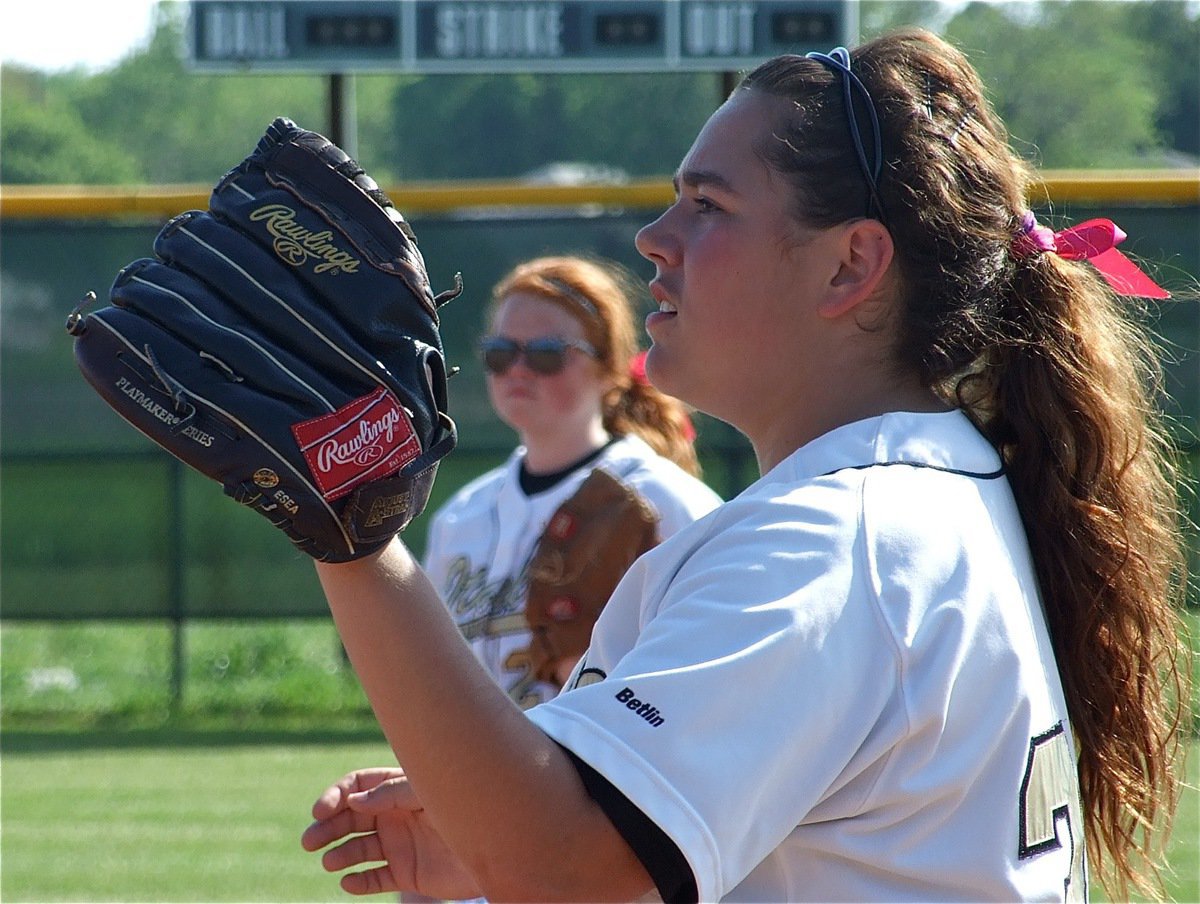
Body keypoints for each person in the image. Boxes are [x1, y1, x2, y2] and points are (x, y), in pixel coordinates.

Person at [300, 28, 1190, 902]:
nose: (655, 236)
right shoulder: (935, 485)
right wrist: (498, 823)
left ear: (850, 265)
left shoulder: (835, 539)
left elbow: (567, 877)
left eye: (708, 205)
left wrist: (352, 535)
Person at [423, 254, 722, 706]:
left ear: (610, 369)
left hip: (605, 767)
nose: (517, 370)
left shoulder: (666, 501)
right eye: (501, 354)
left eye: (546, 354)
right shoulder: (460, 518)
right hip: (474, 769)